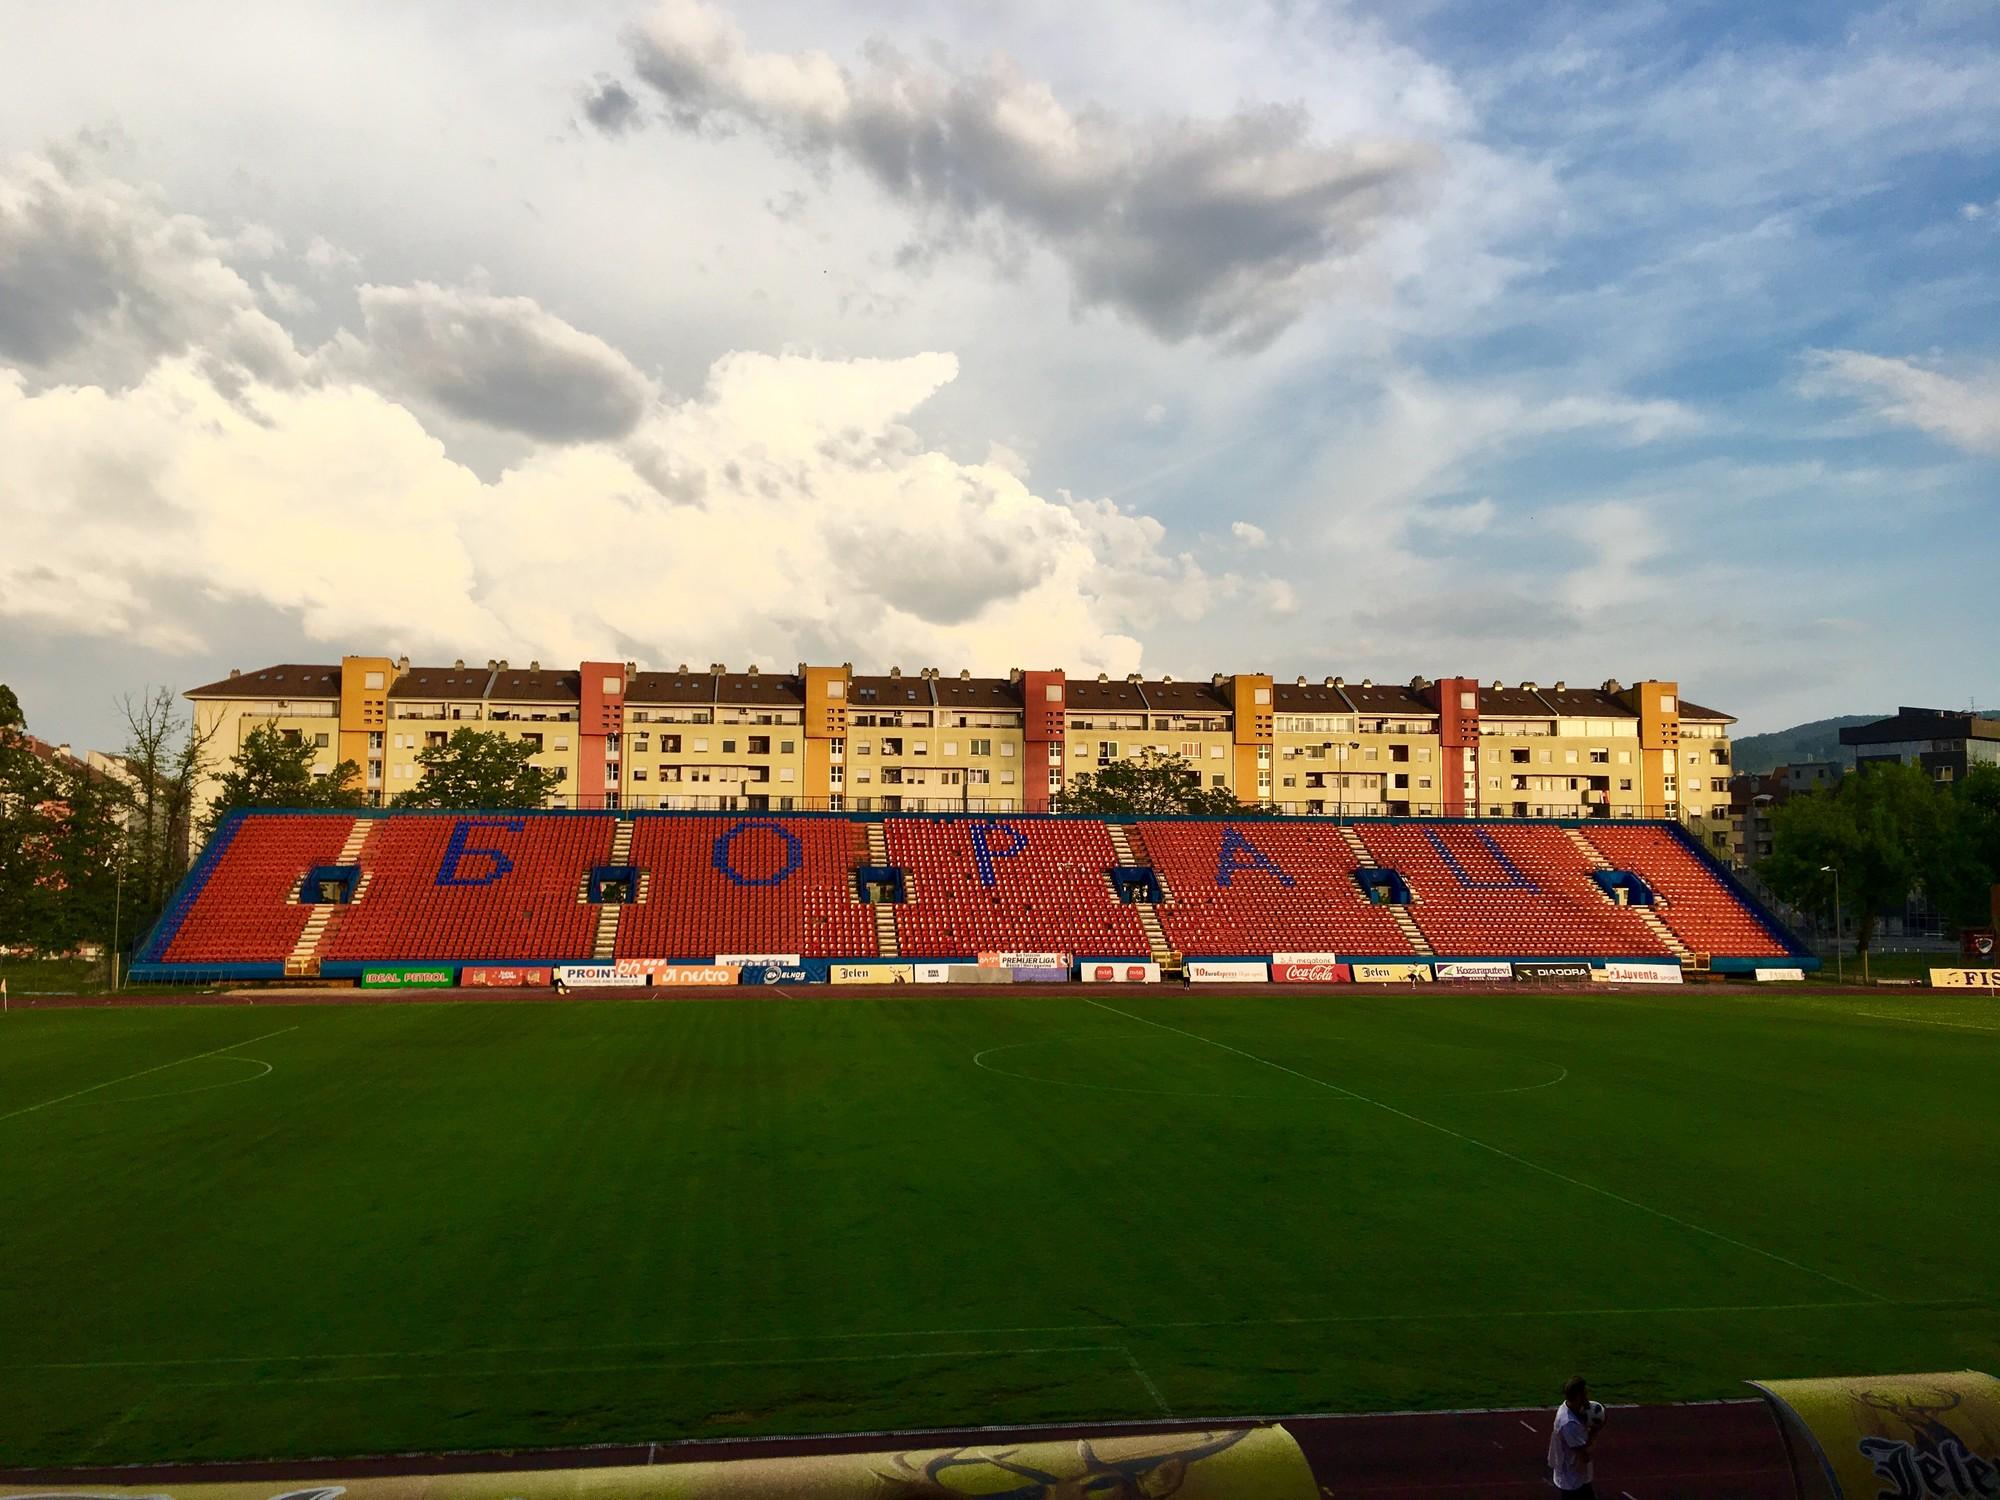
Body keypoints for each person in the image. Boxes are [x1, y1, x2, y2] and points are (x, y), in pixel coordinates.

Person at [1548, 1374, 1605, 1495]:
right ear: (1579, 1396)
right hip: (1572, 1481)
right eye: (1585, 1393)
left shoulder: (1567, 1407)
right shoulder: (1569, 1424)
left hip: (1572, 1478)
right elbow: (1584, 1455)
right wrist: (1595, 1431)